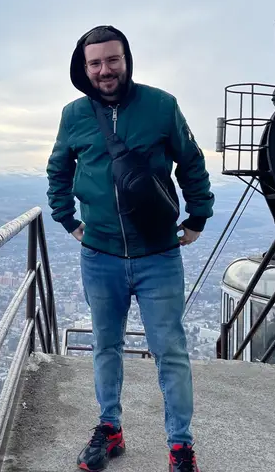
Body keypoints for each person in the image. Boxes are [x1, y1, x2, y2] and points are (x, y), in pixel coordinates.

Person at [46, 25, 214, 472]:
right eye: (95, 63)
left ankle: (180, 447)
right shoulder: (74, 115)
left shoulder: (161, 106)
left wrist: (198, 215)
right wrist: (68, 220)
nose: (105, 70)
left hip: (158, 254)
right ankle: (110, 429)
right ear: (83, 68)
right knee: (106, 346)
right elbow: (58, 169)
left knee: (170, 351)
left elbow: (191, 161)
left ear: (127, 60)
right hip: (100, 254)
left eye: (112, 59)